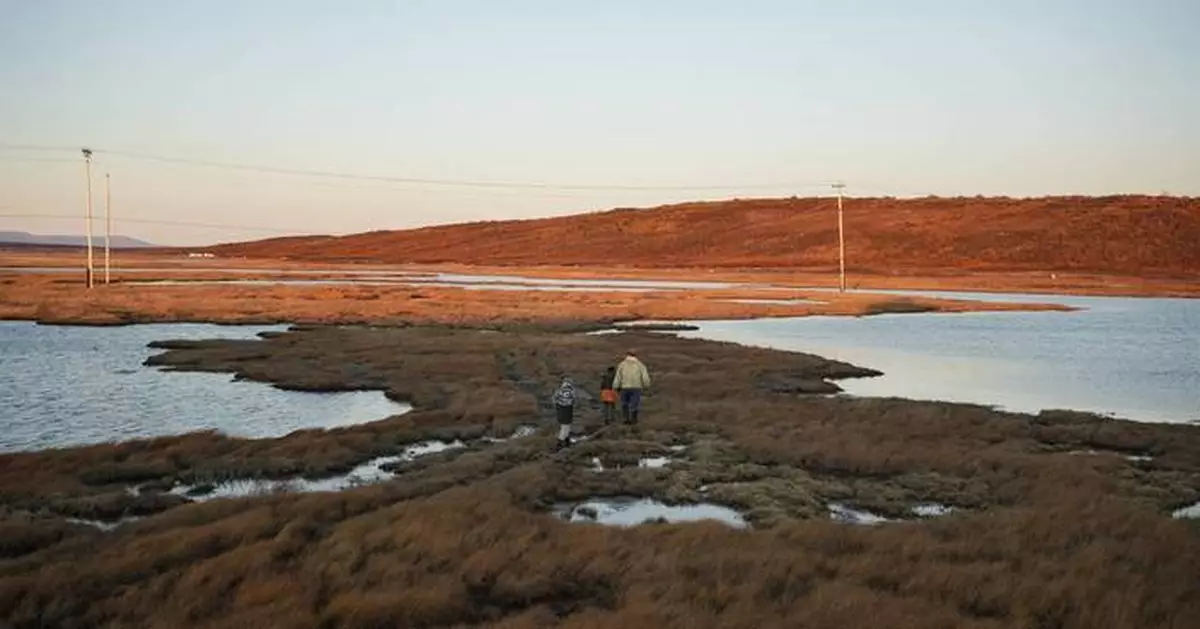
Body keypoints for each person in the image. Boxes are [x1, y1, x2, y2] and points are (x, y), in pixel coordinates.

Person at [612, 350, 651, 425]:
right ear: (635, 356)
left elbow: (618, 377)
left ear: (627, 355)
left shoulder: (622, 365)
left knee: (624, 403)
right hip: (636, 387)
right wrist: (646, 385)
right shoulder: (640, 365)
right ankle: (634, 420)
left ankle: (625, 419)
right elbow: (645, 377)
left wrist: (616, 386)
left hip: (625, 387)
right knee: (634, 403)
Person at [552, 375, 576, 451]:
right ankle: (559, 444)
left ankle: (567, 441)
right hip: (567, 410)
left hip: (560, 409)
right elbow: (574, 401)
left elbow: (554, 399)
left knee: (564, 426)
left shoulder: (559, 391)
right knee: (566, 427)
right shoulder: (571, 391)